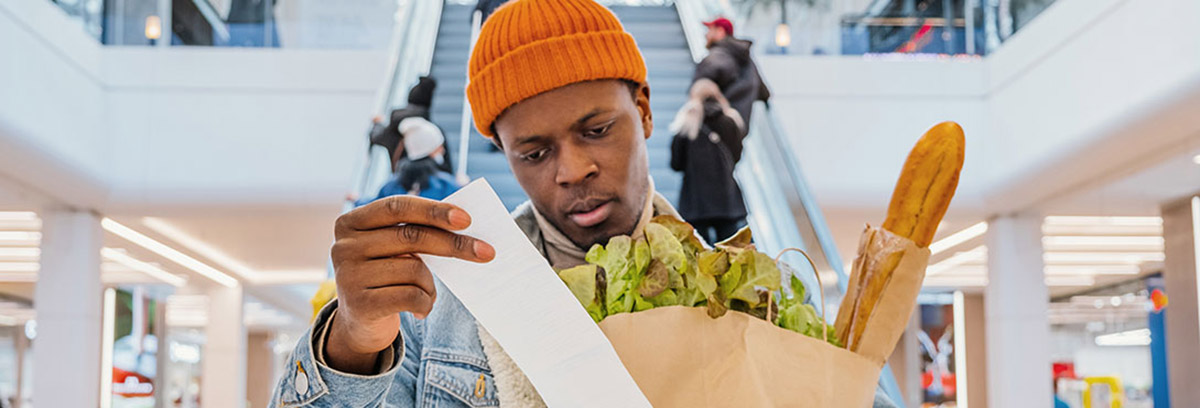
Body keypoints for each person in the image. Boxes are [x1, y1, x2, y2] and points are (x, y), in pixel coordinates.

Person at [271, 1, 899, 407]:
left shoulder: (760, 298)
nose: (573, 171)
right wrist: (351, 344)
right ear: (503, 152)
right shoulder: (434, 310)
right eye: (534, 153)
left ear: (646, 111)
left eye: (597, 130)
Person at [669, 78, 748, 245]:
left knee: (699, 253)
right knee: (731, 253)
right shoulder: (731, 121)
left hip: (695, 200)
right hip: (726, 198)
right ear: (718, 94)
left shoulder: (686, 123)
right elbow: (737, 157)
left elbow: (676, 163)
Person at [355, 117, 460, 206]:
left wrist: (357, 200)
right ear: (430, 151)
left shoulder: (392, 185)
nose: (443, 150)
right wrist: (463, 185)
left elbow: (374, 206)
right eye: (439, 147)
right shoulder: (445, 185)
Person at [694, 16, 771, 132]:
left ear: (720, 31)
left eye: (710, 30)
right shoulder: (746, 60)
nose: (706, 35)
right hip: (739, 129)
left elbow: (699, 89)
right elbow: (763, 91)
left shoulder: (716, 58)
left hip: (715, 130)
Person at [370, 76, 454, 174]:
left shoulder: (394, 128)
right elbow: (447, 169)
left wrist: (378, 123)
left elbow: (376, 136)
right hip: (430, 186)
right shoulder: (433, 132)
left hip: (401, 182)